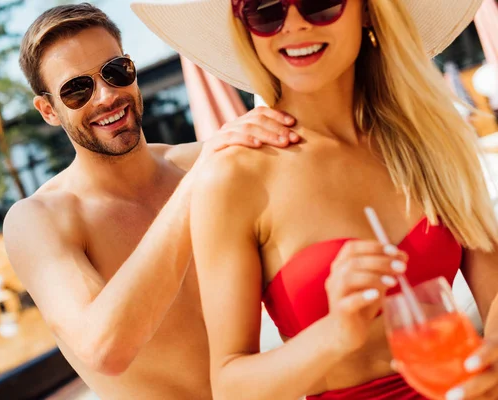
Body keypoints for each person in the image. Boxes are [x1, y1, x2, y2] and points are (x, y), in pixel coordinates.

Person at [132, 0, 498, 399]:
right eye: (265, 10)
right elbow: (230, 387)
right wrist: (335, 333)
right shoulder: (235, 178)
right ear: (246, 30)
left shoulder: (429, 136)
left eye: (319, 3)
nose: (293, 24)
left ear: (368, 11)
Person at [3, 3, 301, 399]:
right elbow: (104, 348)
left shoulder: (202, 161)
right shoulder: (40, 219)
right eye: (77, 89)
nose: (107, 96)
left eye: (115, 72)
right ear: (48, 110)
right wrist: (199, 183)